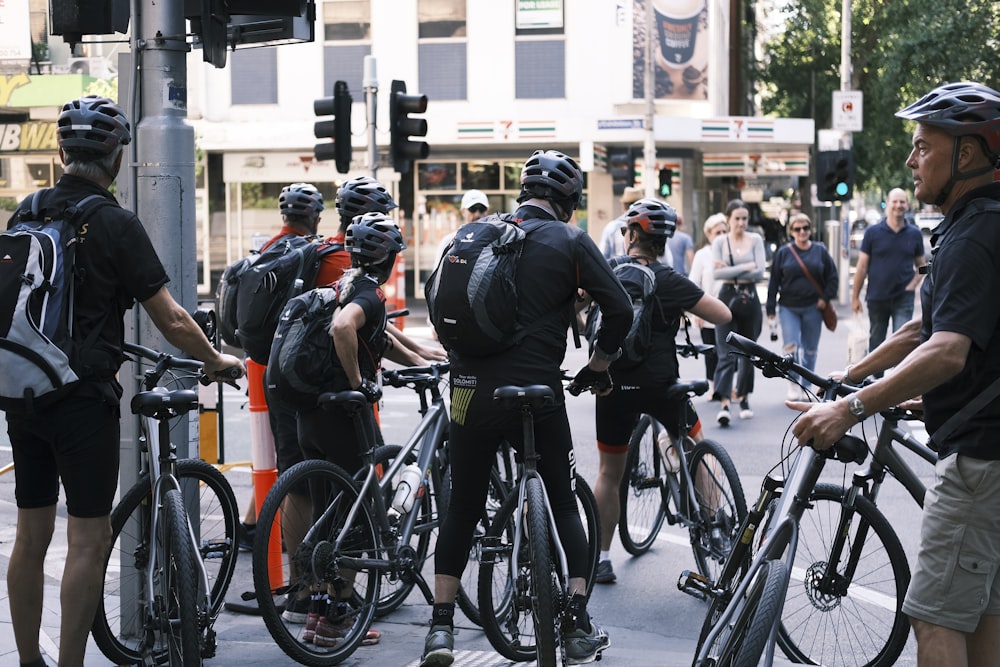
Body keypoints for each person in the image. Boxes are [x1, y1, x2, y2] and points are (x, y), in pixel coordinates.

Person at [4, 95, 245, 667]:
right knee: (87, 541)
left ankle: (27, 662)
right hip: (82, 400)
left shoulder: (26, 211)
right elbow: (172, 318)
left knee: (30, 536)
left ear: (62, 152)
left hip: (22, 391)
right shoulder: (114, 222)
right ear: (116, 160)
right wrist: (215, 359)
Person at [789, 81, 1000, 667]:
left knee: (932, 618)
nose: (911, 161)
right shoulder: (974, 226)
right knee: (982, 617)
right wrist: (848, 378)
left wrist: (848, 409)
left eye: (922, 146)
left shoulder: (975, 235)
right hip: (991, 452)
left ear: (968, 154)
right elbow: (919, 331)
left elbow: (948, 351)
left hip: (980, 463)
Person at [420, 150, 633, 667]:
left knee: (464, 504)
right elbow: (621, 309)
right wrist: (599, 366)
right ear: (570, 201)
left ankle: (441, 629)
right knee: (563, 500)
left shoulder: (473, 235)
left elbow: (439, 306)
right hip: (537, 394)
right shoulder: (570, 241)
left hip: (469, 390)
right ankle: (577, 623)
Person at [292, 212, 428, 647]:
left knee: (327, 511)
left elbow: (377, 340)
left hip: (311, 414)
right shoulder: (368, 292)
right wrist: (359, 385)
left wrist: (427, 362)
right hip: (344, 415)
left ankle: (317, 610)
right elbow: (343, 327)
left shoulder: (340, 284)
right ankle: (336, 619)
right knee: (361, 515)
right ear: (388, 259)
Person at [589, 199, 731, 585]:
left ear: (632, 235)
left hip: (613, 385)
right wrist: (682, 309)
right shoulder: (670, 280)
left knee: (608, 472)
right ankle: (716, 523)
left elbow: (577, 303)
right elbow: (722, 314)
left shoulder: (608, 271)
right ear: (663, 241)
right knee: (694, 443)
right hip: (661, 385)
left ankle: (602, 559)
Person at [766, 213, 838, 400]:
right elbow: (774, 281)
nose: (802, 232)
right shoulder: (783, 252)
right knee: (790, 347)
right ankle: (793, 383)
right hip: (789, 307)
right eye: (797, 229)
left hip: (814, 306)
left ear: (810, 230)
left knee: (810, 349)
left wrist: (825, 297)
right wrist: (770, 308)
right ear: (791, 231)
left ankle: (806, 384)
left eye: (805, 228)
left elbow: (833, 277)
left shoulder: (820, 250)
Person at [851, 187, 926, 354]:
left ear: (907, 205)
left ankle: (898, 378)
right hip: (877, 297)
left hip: (903, 297)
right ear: (888, 204)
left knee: (902, 342)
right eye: (895, 201)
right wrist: (855, 297)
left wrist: (912, 285)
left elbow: (923, 266)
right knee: (877, 342)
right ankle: (876, 379)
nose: (898, 205)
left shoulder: (914, 234)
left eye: (902, 202)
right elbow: (862, 266)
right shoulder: (872, 232)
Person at [711, 199, 765, 425]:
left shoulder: (756, 240)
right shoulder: (720, 242)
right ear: (728, 219)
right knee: (725, 352)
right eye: (737, 219)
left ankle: (743, 398)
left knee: (747, 352)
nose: (741, 223)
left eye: (745, 218)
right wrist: (745, 267)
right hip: (726, 298)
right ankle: (724, 403)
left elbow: (760, 272)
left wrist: (731, 269)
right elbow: (717, 275)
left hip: (750, 298)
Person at [688, 213, 728, 400]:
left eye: (723, 231)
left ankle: (727, 387)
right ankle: (713, 386)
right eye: (717, 232)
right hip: (708, 309)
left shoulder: (730, 252)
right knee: (711, 352)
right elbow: (694, 283)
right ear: (709, 234)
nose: (720, 235)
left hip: (729, 310)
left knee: (728, 352)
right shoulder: (702, 255)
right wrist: (697, 311)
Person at [599, 185, 642, 259]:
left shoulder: (611, 228)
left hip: (615, 270)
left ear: (623, 206)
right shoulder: (648, 227)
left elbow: (602, 259)